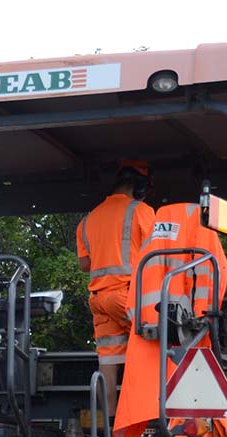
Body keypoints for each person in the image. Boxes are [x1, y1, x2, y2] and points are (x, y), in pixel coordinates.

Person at [76, 162, 156, 400]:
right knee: (157, 347)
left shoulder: (88, 220)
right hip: (126, 295)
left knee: (108, 362)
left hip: (99, 300)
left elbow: (84, 264)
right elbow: (156, 253)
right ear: (138, 186)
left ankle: (108, 424)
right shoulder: (142, 211)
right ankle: (147, 416)